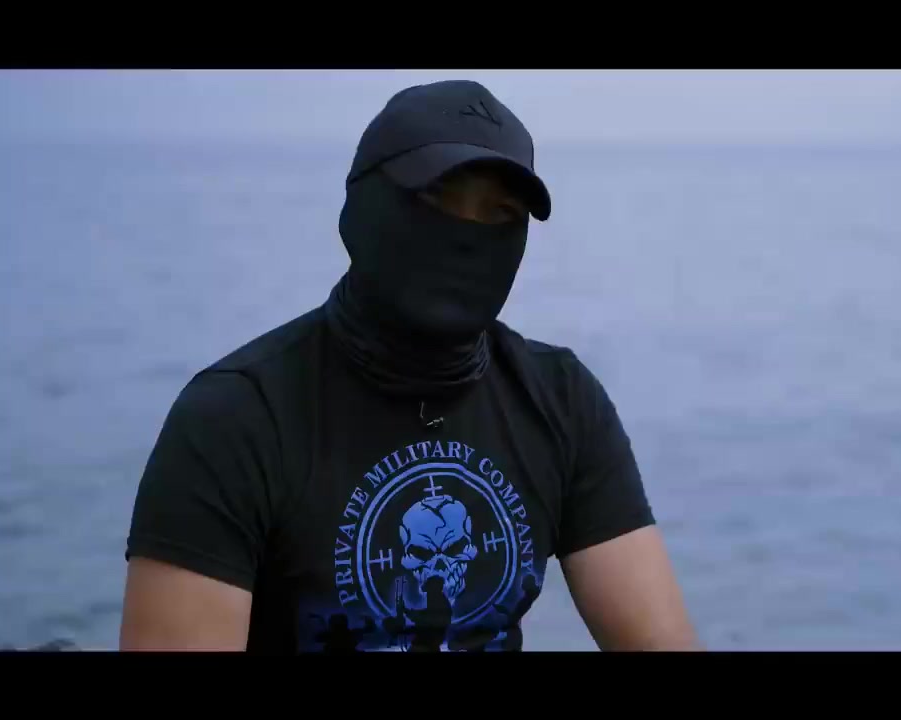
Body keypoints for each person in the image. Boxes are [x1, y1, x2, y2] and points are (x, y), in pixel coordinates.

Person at [118, 79, 701, 652]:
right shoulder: (236, 418)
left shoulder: (560, 400)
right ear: (363, 209)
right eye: (436, 201)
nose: (467, 237)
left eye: (500, 214)